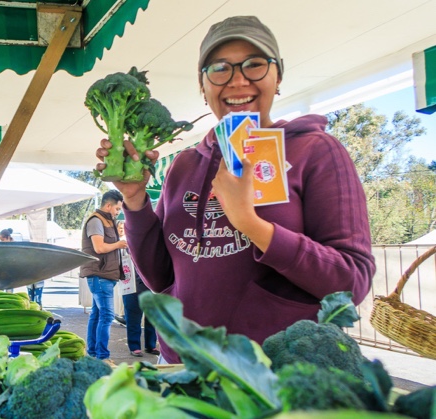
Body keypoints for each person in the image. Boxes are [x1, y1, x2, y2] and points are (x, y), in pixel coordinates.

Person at [96, 16, 375, 364]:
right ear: (203, 86)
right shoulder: (184, 165)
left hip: (276, 373)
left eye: (255, 65)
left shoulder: (316, 151)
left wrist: (251, 223)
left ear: (278, 78)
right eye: (220, 69)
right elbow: (162, 278)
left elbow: (352, 283)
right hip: (182, 366)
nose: (238, 80)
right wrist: (135, 200)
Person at [80, 190, 128, 364]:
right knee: (107, 316)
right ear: (108, 205)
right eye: (117, 208)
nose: (117, 212)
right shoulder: (96, 221)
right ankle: (102, 357)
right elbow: (99, 248)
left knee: (97, 314)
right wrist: (119, 243)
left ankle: (92, 354)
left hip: (103, 276)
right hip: (100, 276)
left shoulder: (106, 221)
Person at [117, 220, 158, 358]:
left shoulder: (153, 247)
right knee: (133, 318)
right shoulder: (124, 246)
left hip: (150, 287)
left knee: (152, 317)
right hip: (131, 286)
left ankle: (151, 345)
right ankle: (134, 347)